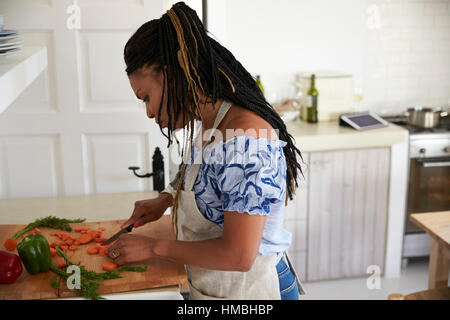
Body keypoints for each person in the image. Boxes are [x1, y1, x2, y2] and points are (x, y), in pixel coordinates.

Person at [106, 2, 305, 300]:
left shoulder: (246, 142)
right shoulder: (213, 121)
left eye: (146, 97)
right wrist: (164, 199)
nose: (148, 112)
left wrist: (151, 247)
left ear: (173, 75)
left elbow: (239, 255)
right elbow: (203, 176)